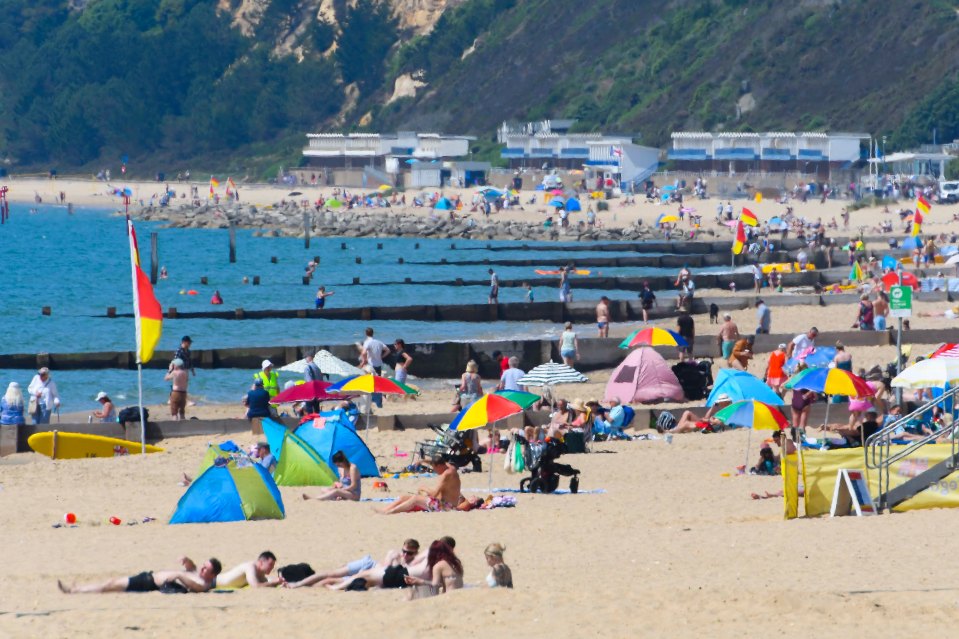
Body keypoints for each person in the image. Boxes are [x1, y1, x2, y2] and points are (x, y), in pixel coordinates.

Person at [287, 539, 428, 590]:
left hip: (370, 576)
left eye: (409, 553)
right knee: (330, 572)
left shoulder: (413, 565)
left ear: (416, 553)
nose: (405, 555)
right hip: (369, 564)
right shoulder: (395, 554)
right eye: (404, 551)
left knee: (329, 580)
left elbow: (387, 575)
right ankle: (298, 584)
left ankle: (305, 587)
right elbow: (385, 567)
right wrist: (395, 560)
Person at [58, 557, 222, 594]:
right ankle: (77, 589)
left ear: (212, 574)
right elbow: (191, 567)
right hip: (148, 577)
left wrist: (179, 575)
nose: (202, 568)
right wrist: (187, 561)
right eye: (203, 565)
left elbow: (196, 587)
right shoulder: (195, 573)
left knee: (111, 585)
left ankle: (75, 590)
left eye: (205, 568)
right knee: (112, 583)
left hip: (148, 583)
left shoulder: (203, 584)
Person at [377, 455, 462, 514]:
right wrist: (422, 461)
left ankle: (390, 512)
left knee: (415, 498)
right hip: (441, 502)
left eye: (435, 468)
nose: (435, 471)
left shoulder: (446, 475)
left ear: (439, 466)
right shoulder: (448, 466)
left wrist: (424, 488)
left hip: (445, 507)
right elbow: (436, 461)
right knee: (404, 497)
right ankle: (384, 510)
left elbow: (434, 495)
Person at [216, 551, 281, 588]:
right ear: (261, 562)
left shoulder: (260, 572)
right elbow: (256, 586)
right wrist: (274, 582)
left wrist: (279, 581)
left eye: (273, 565)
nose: (272, 567)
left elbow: (266, 582)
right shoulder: (250, 567)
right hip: (213, 581)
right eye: (270, 565)